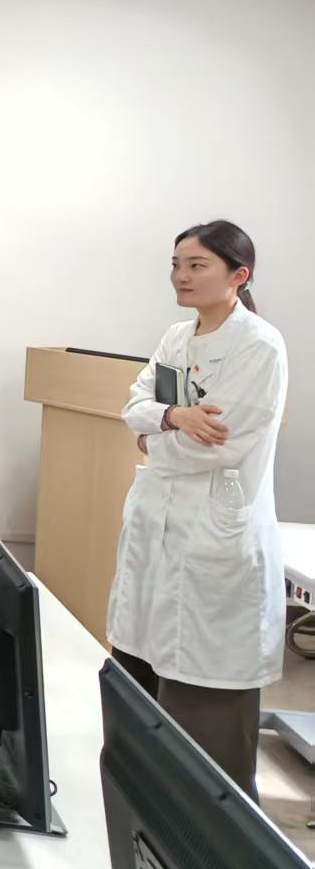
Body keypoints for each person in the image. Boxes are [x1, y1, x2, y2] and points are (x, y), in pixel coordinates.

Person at [108, 221, 287, 799]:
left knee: (206, 733)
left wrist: (153, 436)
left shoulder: (259, 346)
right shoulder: (176, 337)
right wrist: (171, 417)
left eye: (197, 265)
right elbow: (134, 404)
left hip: (215, 543)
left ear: (239, 275)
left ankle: (222, 842)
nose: (181, 276)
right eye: (176, 264)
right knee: (142, 687)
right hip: (159, 536)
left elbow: (221, 445)